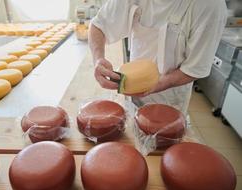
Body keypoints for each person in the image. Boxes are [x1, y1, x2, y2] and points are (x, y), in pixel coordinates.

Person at [89, 0, 227, 114]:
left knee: (164, 141)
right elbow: (98, 26)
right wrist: (98, 58)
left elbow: (195, 68)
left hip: (170, 102)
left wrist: (158, 84)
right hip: (132, 90)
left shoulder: (210, 6)